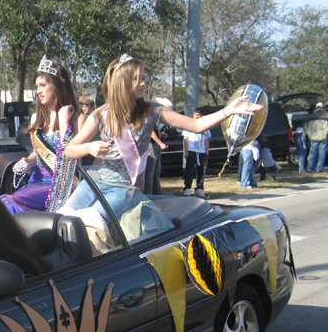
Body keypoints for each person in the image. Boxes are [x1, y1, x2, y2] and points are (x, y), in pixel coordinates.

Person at [62, 54, 262, 221]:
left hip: (124, 189)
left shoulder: (152, 111)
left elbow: (196, 125)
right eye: (135, 78)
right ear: (121, 82)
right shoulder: (100, 115)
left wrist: (228, 110)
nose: (142, 83)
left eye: (143, 78)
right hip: (95, 182)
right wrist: (88, 148)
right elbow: (70, 149)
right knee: (64, 218)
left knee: (92, 220)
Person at [0, 56, 86, 214]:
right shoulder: (37, 118)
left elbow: (71, 158)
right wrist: (27, 161)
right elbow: (37, 154)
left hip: (62, 185)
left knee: (10, 203)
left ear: (57, 86)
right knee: (3, 203)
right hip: (36, 182)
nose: (38, 91)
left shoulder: (77, 119)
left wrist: (64, 123)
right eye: (37, 86)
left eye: (43, 85)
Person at [182, 107, 209, 197]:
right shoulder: (189, 125)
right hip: (191, 150)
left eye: (198, 115)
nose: (196, 116)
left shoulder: (205, 126)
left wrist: (206, 152)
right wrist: (186, 151)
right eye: (195, 115)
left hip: (201, 151)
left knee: (200, 170)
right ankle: (187, 188)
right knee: (189, 169)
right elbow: (185, 139)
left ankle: (199, 188)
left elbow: (206, 140)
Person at [304, 103, 328, 173]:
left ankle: (309, 168)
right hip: (323, 136)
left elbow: (305, 125)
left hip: (313, 136)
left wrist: (308, 132)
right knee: (322, 153)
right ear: (323, 107)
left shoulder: (310, 116)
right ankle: (319, 169)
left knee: (312, 153)